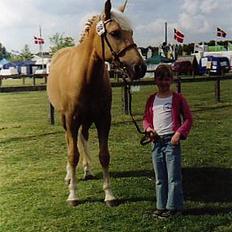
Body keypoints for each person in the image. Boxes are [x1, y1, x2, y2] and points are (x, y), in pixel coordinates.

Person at [143, 64, 192, 219]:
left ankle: (173, 207)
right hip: (156, 142)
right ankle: (161, 206)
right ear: (155, 80)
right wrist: (149, 129)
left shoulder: (177, 98)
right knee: (160, 178)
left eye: (166, 79)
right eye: (160, 79)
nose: (163, 82)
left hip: (171, 141)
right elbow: (146, 119)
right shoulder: (152, 99)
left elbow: (188, 119)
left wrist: (178, 133)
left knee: (173, 177)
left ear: (171, 80)